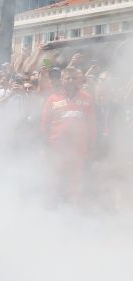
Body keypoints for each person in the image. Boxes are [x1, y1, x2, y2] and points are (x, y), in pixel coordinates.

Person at [41, 66, 96, 203]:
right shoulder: (53, 99)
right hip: (57, 147)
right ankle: (52, 204)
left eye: (74, 78)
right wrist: (44, 145)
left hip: (79, 148)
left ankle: (74, 206)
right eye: (68, 78)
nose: (71, 81)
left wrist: (92, 146)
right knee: (55, 176)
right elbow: (44, 124)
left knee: (76, 179)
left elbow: (92, 125)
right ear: (62, 80)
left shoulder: (88, 99)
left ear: (79, 80)